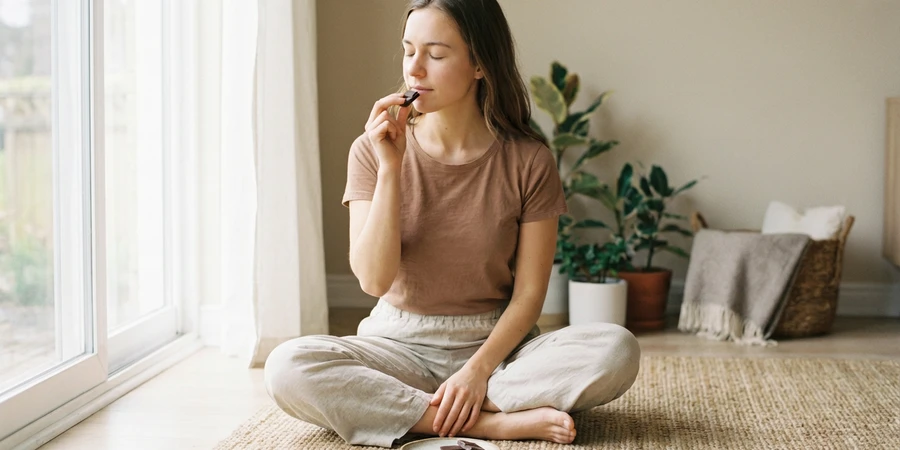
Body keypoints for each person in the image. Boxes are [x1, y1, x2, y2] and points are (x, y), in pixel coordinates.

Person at [264, 0, 640, 447]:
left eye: (436, 55)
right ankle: (487, 421)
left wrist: (477, 372)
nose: (415, 70)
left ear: (479, 63)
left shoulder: (528, 160)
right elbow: (372, 279)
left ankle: (416, 408)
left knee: (617, 349)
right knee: (287, 366)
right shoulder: (371, 151)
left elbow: (529, 296)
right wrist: (390, 169)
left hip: (499, 350)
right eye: (408, 51)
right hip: (397, 344)